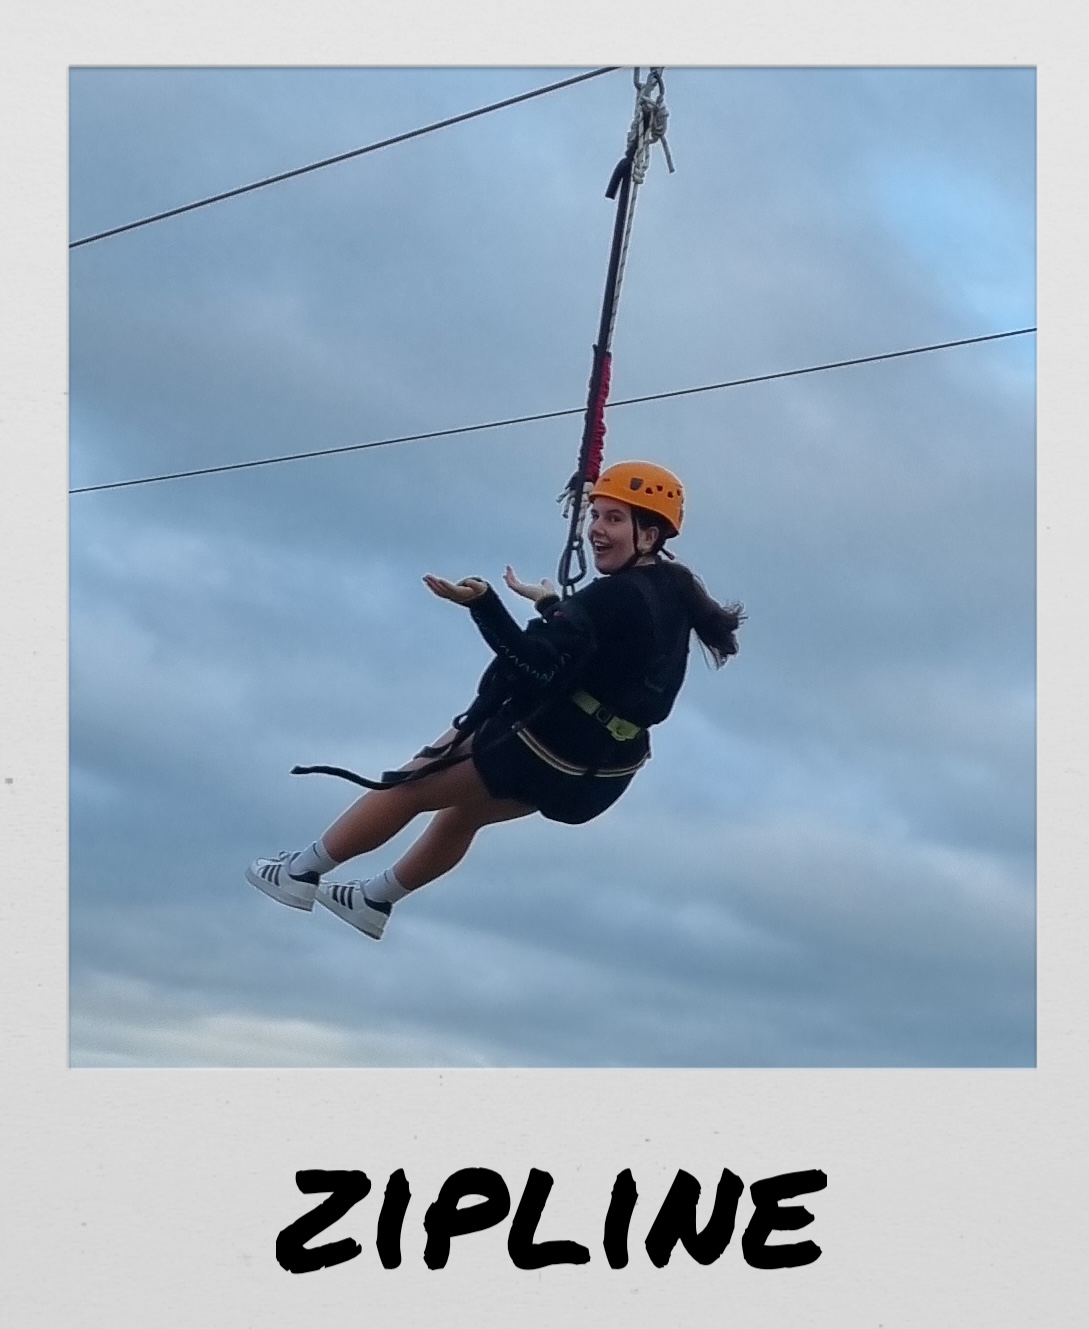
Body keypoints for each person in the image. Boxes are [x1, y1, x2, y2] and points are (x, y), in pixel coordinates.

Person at [245, 461, 744, 940]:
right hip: (601, 769)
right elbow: (606, 650)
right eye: (595, 514)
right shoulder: (675, 589)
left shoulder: (613, 596)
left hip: (549, 744)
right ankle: (375, 900)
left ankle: (301, 872)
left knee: (410, 785)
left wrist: (483, 603)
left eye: (613, 518)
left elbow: (531, 661)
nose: (596, 529)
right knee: (464, 813)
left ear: (650, 535)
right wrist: (552, 605)